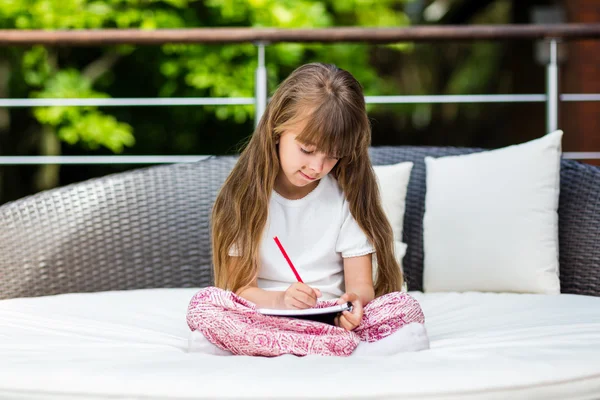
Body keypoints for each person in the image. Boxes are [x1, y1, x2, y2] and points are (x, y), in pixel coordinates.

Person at [186, 63, 429, 357]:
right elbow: (241, 290)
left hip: (332, 319)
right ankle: (350, 351)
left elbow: (361, 287)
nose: (317, 167)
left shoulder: (346, 199)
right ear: (277, 130)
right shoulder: (245, 198)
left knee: (403, 306)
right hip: (267, 314)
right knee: (206, 304)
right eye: (307, 149)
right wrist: (282, 301)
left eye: (333, 157)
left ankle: (265, 347)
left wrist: (353, 304)